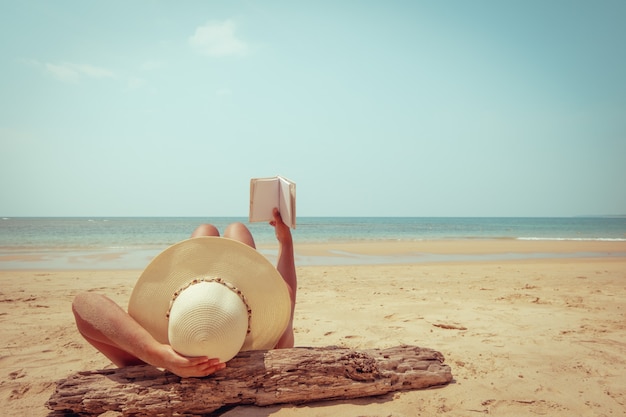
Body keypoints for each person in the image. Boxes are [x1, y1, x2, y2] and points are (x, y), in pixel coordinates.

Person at [72, 208, 297, 378]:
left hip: (170, 357)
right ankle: (218, 262)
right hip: (238, 340)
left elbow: (83, 304)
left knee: (205, 232)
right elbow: (287, 296)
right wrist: (285, 243)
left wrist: (158, 354)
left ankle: (204, 265)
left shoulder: (151, 369)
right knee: (236, 229)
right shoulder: (272, 348)